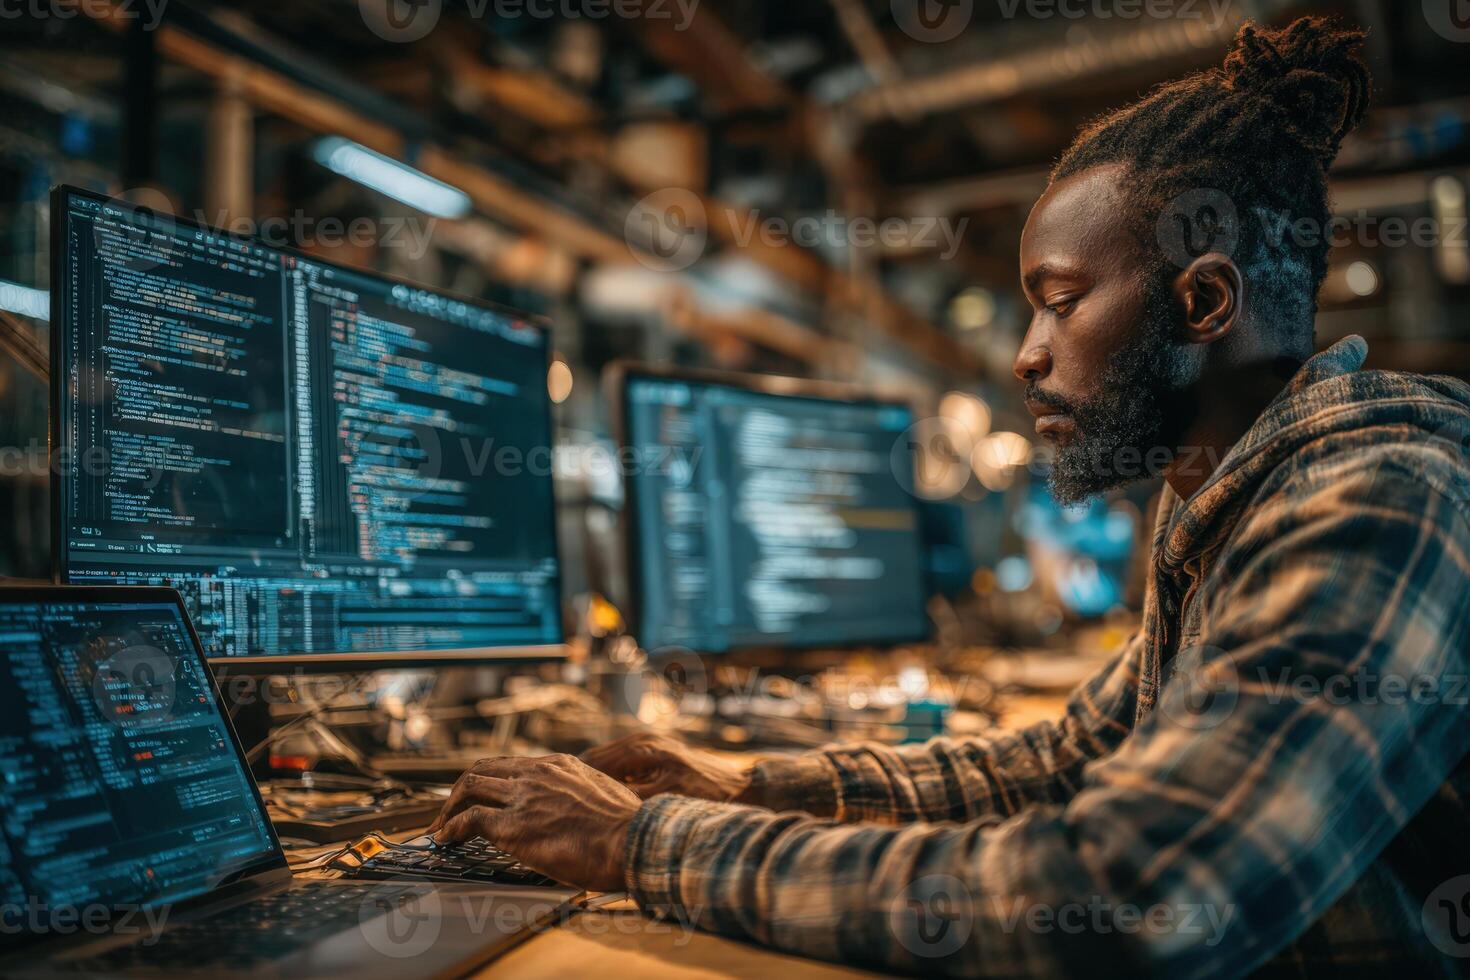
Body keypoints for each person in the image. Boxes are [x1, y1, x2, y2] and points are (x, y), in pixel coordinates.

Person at [426, 17, 1470, 976]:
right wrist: (745, 786)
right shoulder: (1231, 508)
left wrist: (637, 841)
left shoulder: (1376, 500)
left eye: (1061, 304)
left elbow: (1130, 892)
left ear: (1202, 301)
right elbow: (1073, 762)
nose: (1025, 356)